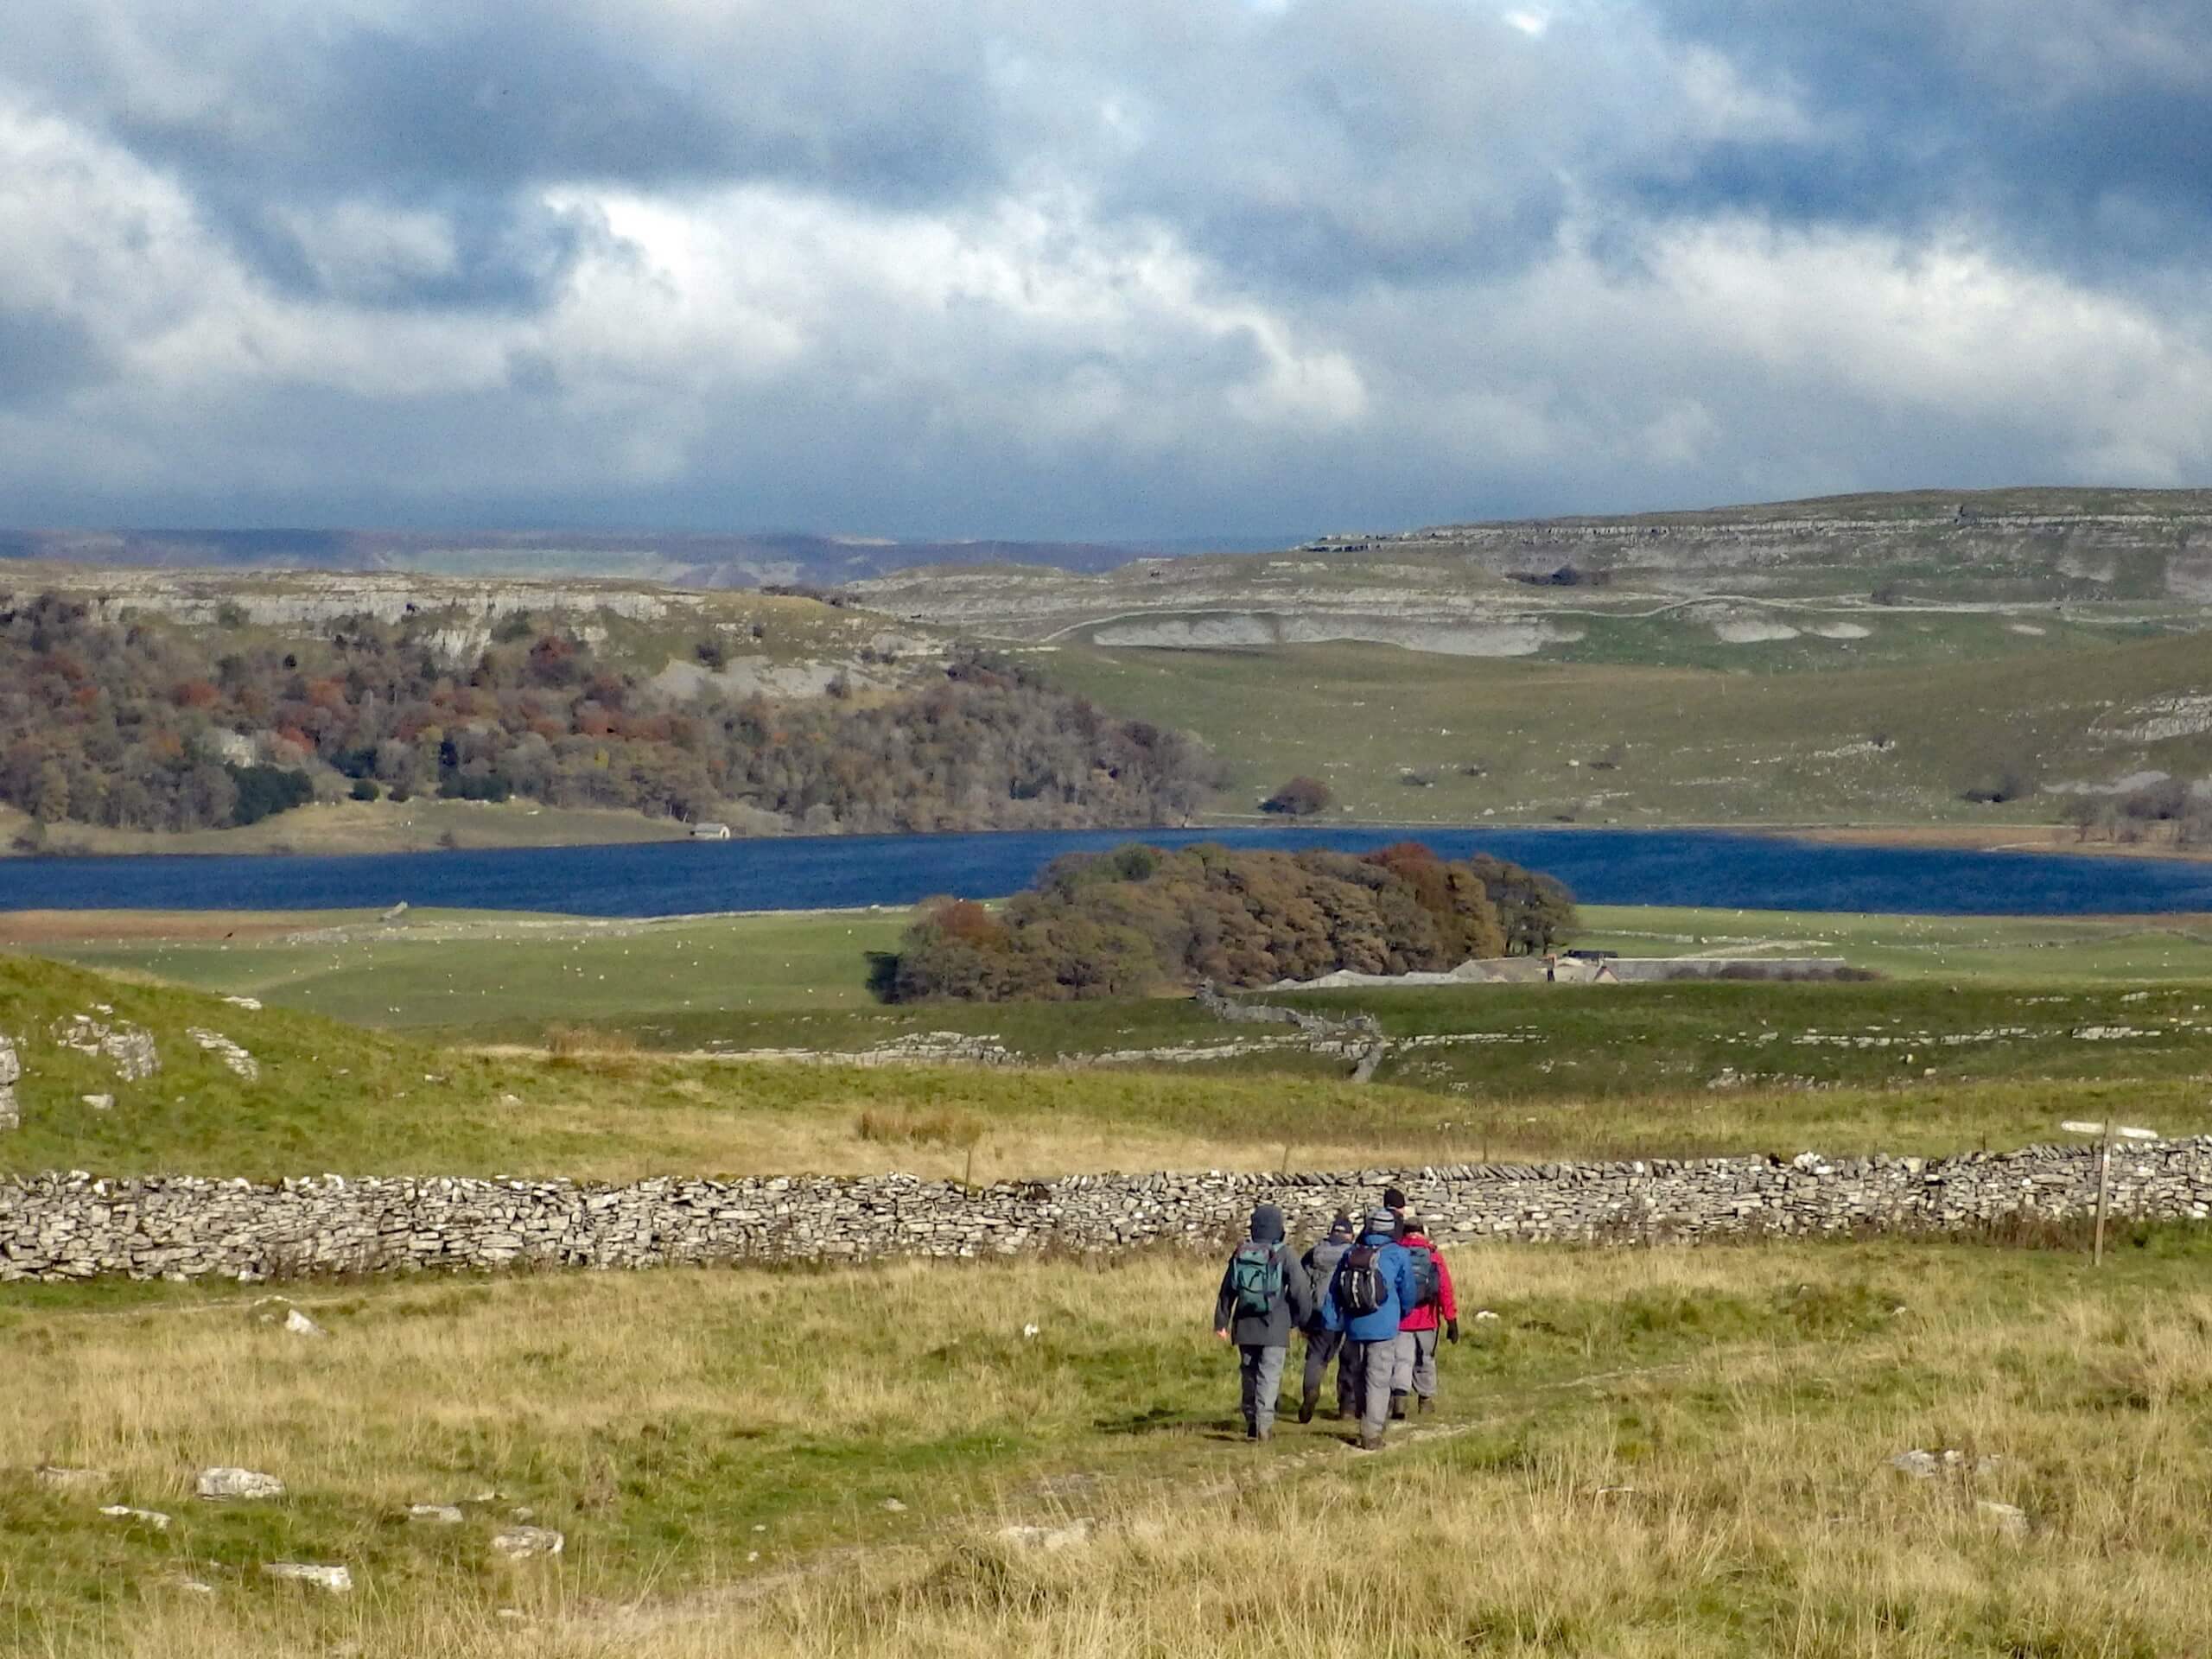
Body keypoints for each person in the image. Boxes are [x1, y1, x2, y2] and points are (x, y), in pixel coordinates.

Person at [1318, 1208, 1420, 1450]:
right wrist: (1402, 1313)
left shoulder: (1352, 1252)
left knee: (1360, 1376)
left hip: (1354, 1324)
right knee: (1379, 1378)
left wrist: (1331, 1322)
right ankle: (1371, 1432)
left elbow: (1334, 1291)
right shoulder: (1398, 1254)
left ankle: (1366, 1420)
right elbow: (1408, 1291)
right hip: (1384, 1326)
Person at [1213, 1202, 1315, 1441]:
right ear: (1279, 1227)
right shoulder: (1285, 1253)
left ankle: (1251, 1420)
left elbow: (1227, 1290)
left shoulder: (1241, 1252)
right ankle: (1263, 1426)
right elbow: (1300, 1289)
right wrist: (1303, 1320)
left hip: (1245, 1324)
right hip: (1276, 1325)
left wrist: (1221, 1322)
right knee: (1269, 1376)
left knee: (1249, 1373)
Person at [1389, 1214, 1460, 1416]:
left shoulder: (1396, 1253)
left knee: (1402, 1360)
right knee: (1426, 1359)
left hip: (1402, 1318)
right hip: (1428, 1318)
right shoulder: (1433, 1255)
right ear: (1422, 1231)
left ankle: (1400, 1400)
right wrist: (1451, 1319)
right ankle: (1426, 1400)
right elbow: (1445, 1289)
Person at [1297, 1211, 1357, 1423]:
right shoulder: (1354, 1253)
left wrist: (1301, 1318)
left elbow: (1300, 1287)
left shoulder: (1314, 1254)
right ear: (1350, 1235)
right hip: (1349, 1314)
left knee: (1316, 1357)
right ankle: (1347, 1408)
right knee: (1349, 1360)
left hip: (1319, 1314)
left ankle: (1310, 1391)